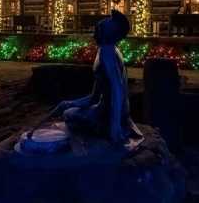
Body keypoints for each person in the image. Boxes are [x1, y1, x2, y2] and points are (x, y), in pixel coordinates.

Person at [54, 10, 144, 150]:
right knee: (69, 110)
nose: (95, 31)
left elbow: (117, 91)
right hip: (107, 108)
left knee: (69, 116)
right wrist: (68, 103)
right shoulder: (107, 50)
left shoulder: (107, 53)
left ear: (108, 33)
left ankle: (104, 127)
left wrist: (115, 127)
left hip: (110, 114)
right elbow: (94, 97)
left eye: (100, 28)